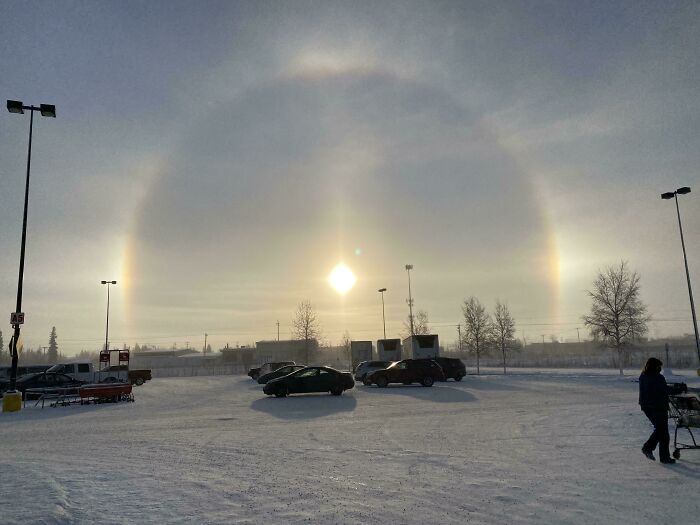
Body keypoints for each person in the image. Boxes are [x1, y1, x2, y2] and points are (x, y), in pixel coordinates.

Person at [639, 357, 675, 464]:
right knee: (662, 431)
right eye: (659, 366)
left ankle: (664, 457)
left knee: (662, 431)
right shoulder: (657, 377)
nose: (660, 368)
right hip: (658, 407)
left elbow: (659, 389)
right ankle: (648, 448)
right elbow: (664, 390)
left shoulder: (643, 376)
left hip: (646, 407)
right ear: (655, 366)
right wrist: (680, 388)